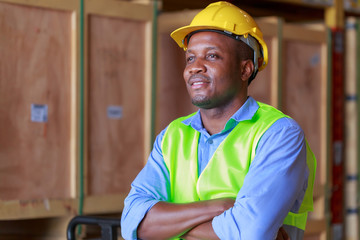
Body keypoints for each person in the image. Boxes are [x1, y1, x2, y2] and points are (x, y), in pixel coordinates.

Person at [121, 1, 316, 239]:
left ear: (245, 70)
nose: (195, 68)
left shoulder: (279, 134)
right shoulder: (172, 136)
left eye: (211, 56)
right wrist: (221, 207)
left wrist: (165, 227)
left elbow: (248, 232)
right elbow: (133, 221)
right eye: (190, 58)